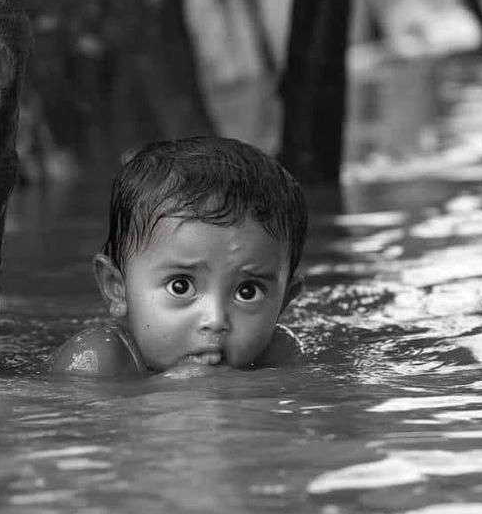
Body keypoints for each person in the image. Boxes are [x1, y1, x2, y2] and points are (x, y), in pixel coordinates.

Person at [51, 136, 308, 376]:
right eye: (180, 286)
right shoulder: (98, 362)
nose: (215, 320)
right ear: (117, 287)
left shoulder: (278, 356)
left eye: (248, 292)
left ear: (284, 300)